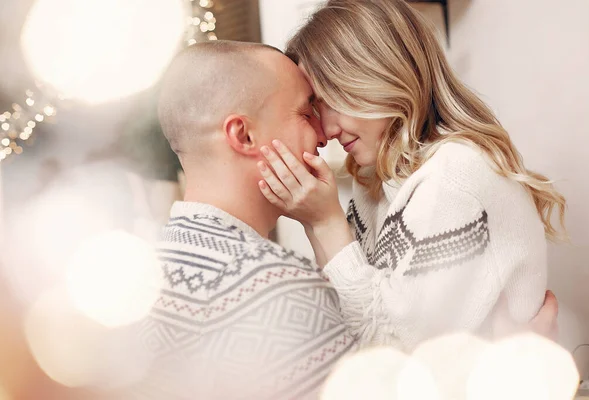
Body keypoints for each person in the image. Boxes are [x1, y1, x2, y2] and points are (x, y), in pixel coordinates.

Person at [257, 0, 565, 351]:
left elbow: (393, 355)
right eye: (315, 107)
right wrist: (316, 223)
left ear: (379, 72)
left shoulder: (453, 177)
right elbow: (349, 329)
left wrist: (325, 223)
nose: (325, 130)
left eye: (332, 99)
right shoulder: (377, 182)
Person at [135, 41, 354, 400]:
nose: (322, 133)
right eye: (305, 113)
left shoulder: (143, 274)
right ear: (244, 135)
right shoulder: (278, 288)